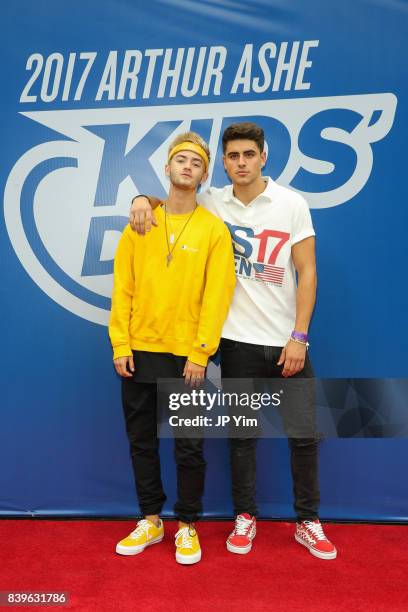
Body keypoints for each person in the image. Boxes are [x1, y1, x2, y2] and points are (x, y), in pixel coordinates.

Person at [129, 122, 337, 561]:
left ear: (264, 157)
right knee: (243, 438)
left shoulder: (291, 204)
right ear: (222, 164)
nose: (240, 163)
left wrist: (299, 336)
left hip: (286, 343)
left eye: (248, 154)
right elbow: (169, 202)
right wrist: (139, 200)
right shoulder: (211, 202)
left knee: (304, 435)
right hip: (237, 343)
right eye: (232, 157)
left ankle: (308, 521)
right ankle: (246, 517)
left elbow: (308, 272)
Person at [109, 131, 235, 565]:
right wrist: (120, 343)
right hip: (139, 350)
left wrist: (201, 353)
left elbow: (218, 297)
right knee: (141, 440)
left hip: (187, 358)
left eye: (196, 163)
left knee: (189, 446)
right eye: (179, 160)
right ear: (166, 168)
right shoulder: (139, 224)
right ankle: (150, 519)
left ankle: (186, 525)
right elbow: (122, 291)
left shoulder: (214, 230)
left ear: (203, 175)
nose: (187, 166)